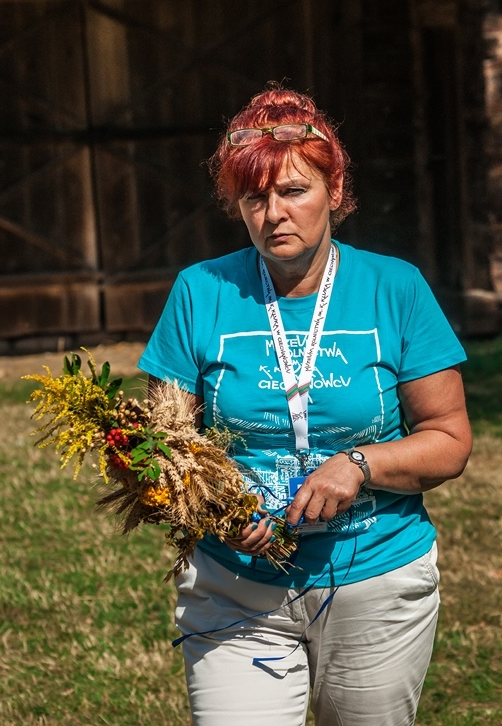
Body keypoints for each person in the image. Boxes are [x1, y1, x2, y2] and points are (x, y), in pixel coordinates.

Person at [138, 86, 472, 726]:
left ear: (334, 189)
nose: (274, 215)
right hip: (237, 586)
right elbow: (163, 448)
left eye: (294, 191)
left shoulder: (394, 288)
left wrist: (359, 465)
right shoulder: (200, 291)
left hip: (376, 578)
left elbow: (449, 439)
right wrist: (214, 509)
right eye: (254, 198)